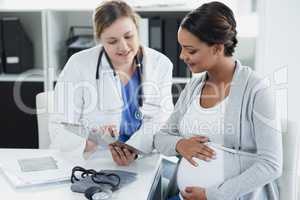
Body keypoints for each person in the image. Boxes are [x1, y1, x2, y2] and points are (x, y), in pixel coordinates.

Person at [154, 1, 282, 200]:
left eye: (191, 50)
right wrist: (180, 144)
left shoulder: (257, 91)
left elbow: (271, 165)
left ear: (217, 48)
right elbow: (161, 137)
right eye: (181, 48)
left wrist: (213, 195)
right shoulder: (194, 87)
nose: (182, 56)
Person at [49, 0, 174, 166]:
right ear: (99, 39)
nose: (123, 47)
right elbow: (59, 125)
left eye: (129, 36)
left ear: (138, 30)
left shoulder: (160, 64)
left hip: (143, 158)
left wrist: (134, 149)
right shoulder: (79, 64)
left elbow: (162, 120)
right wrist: (91, 140)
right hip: (93, 160)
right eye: (112, 41)